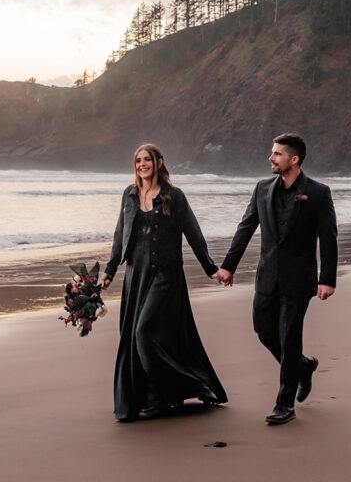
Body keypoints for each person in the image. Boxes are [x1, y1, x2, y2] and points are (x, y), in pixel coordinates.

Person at [212, 133, 337, 425]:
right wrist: (229, 266)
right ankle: (303, 366)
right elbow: (246, 228)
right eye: (272, 153)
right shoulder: (262, 188)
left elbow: (328, 238)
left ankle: (285, 404)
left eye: (277, 154)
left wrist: (327, 278)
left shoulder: (318, 193)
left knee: (290, 338)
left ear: (294, 159)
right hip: (267, 276)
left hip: (299, 278)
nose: (271, 158)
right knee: (264, 331)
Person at [102, 143, 228, 421]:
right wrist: (110, 270)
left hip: (164, 275)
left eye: (147, 159)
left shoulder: (175, 196)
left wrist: (211, 269)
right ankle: (159, 394)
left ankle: (164, 393)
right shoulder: (130, 194)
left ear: (159, 162)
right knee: (139, 338)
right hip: (136, 275)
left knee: (143, 332)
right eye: (138, 160)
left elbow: (194, 234)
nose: (142, 164)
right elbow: (120, 235)